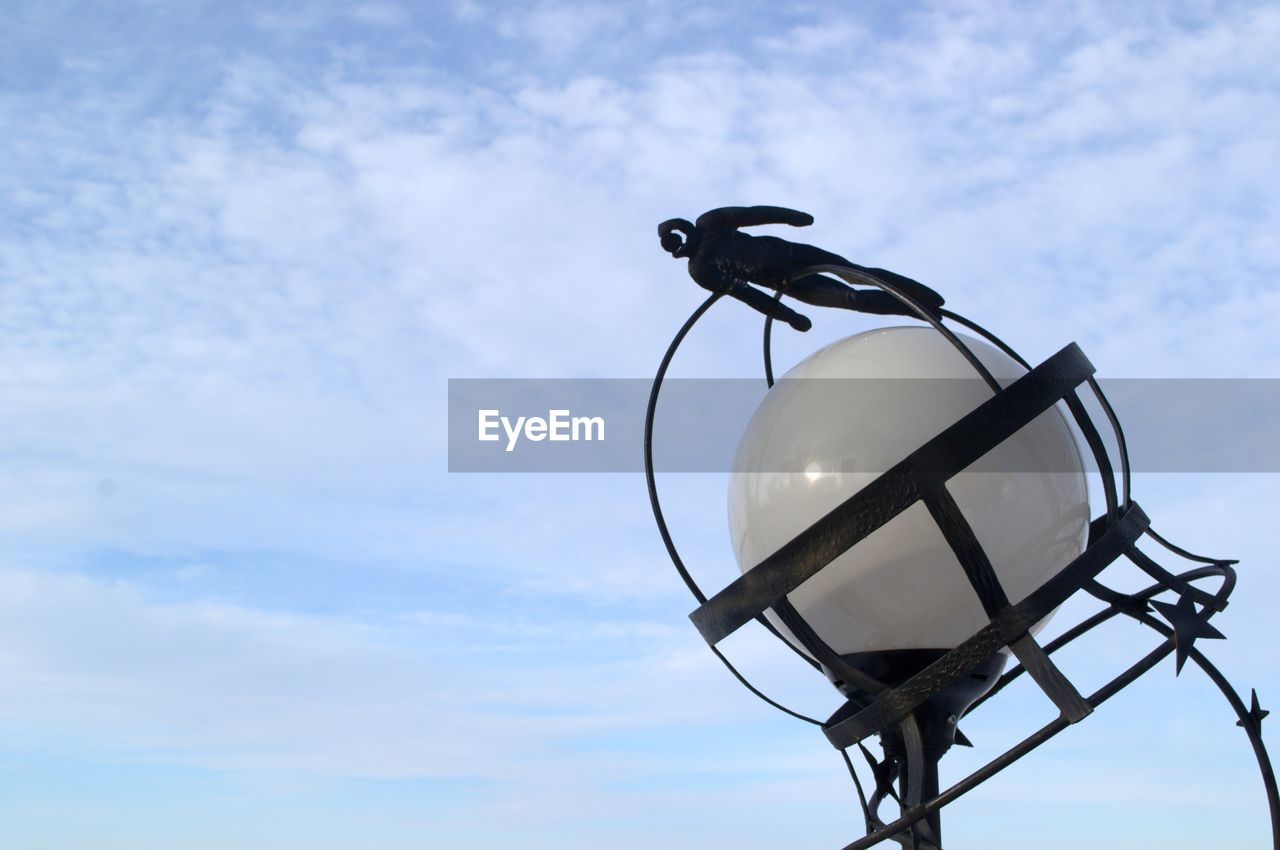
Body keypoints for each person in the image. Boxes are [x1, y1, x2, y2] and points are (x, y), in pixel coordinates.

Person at [658, 206, 944, 331]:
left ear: (681, 229)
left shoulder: (710, 223)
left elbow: (754, 214)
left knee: (856, 272)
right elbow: (749, 295)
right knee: (853, 299)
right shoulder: (700, 269)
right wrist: (789, 316)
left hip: (790, 253)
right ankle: (918, 309)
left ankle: (924, 297)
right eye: (672, 247)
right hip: (789, 283)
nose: (677, 247)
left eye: (675, 240)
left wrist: (791, 217)